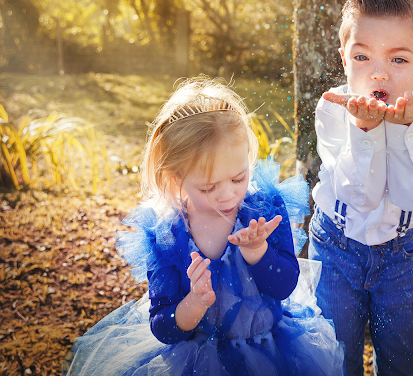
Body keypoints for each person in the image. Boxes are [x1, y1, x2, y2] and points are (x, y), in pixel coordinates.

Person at [63, 78, 344, 376]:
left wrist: (258, 252)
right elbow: (163, 326)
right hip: (196, 361)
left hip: (271, 351)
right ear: (175, 179)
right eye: (209, 187)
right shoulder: (168, 236)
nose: (228, 195)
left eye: (238, 178)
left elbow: (285, 285)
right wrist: (194, 304)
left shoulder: (264, 210)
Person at [308, 0, 413, 376]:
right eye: (362, 57)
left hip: (401, 255)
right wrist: (364, 130)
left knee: (398, 360)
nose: (378, 75)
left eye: (398, 60)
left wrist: (409, 133)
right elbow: (362, 197)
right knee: (337, 358)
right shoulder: (333, 109)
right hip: (336, 245)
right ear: (344, 58)